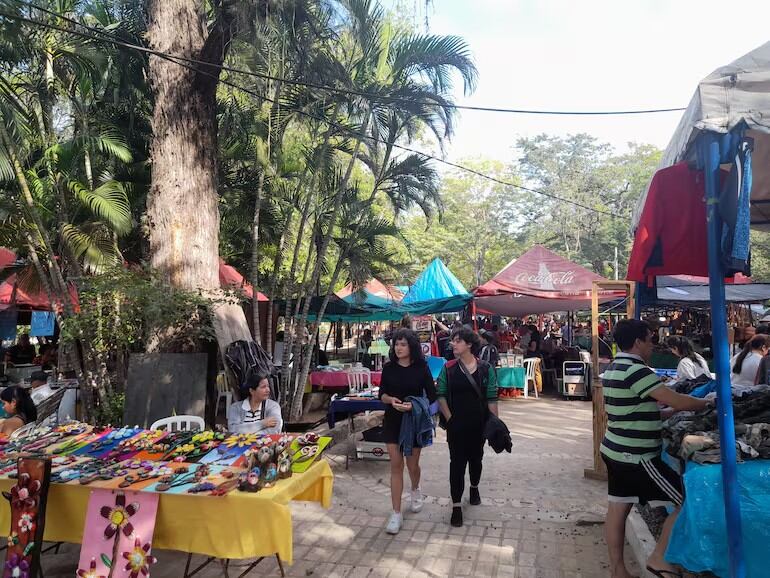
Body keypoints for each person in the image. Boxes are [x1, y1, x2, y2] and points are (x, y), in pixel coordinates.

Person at [601, 319, 709, 578]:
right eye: (651, 339)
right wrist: (706, 402)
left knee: (618, 506)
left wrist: (667, 411)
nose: (653, 345)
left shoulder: (615, 366)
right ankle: (658, 558)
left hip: (615, 449)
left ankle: (618, 571)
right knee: (686, 500)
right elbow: (676, 399)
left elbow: (632, 410)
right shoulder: (638, 370)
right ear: (638, 341)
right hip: (637, 455)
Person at [437, 327, 498, 528]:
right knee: (456, 464)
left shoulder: (485, 368)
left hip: (478, 424)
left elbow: (491, 397)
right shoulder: (448, 368)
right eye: (453, 341)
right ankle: (456, 507)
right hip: (456, 425)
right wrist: (450, 418)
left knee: (476, 460)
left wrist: (495, 424)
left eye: (457, 341)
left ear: (469, 344)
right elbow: (441, 395)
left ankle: (474, 487)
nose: (453, 344)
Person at [378, 328, 437, 534]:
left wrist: (414, 406)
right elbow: (382, 394)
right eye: (396, 344)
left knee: (412, 466)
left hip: (414, 422)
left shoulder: (421, 368)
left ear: (412, 347)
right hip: (393, 420)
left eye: (403, 344)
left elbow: (432, 396)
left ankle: (415, 489)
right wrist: (390, 400)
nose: (398, 348)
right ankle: (396, 513)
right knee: (396, 465)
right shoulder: (388, 368)